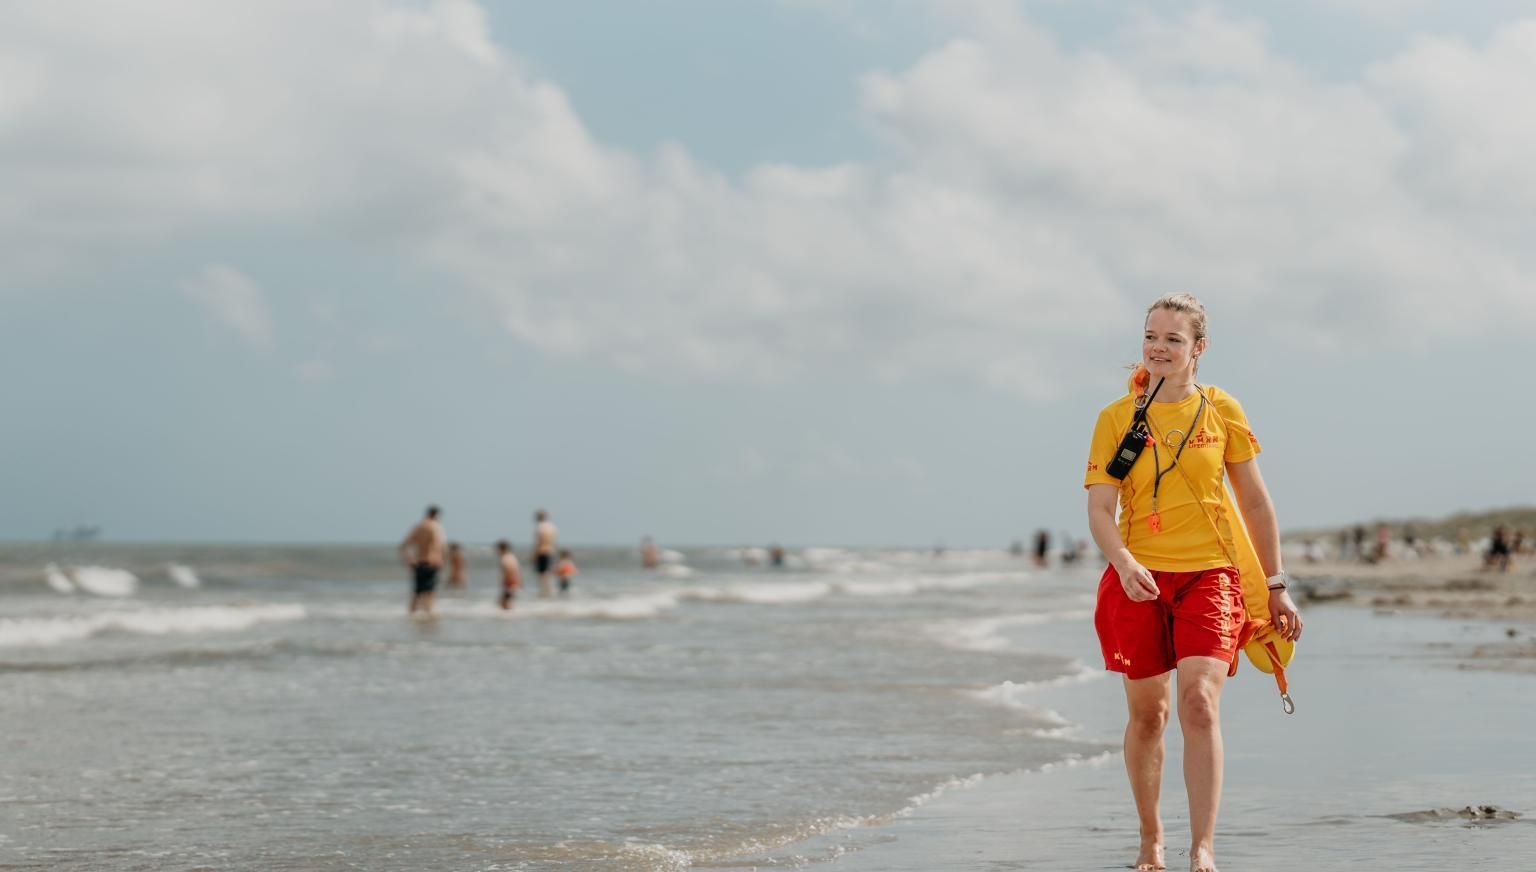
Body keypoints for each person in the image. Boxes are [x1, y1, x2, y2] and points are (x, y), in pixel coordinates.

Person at [1084, 294, 1301, 872]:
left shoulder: (1221, 410)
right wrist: (1125, 563)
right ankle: (1151, 839)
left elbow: (1255, 501)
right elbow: (1101, 510)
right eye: (1151, 336)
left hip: (1211, 575)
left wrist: (1276, 585)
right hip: (1137, 581)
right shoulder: (1115, 418)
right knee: (1149, 716)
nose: (1159, 347)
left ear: (1197, 349)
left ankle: (1202, 847)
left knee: (1199, 704)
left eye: (1173, 339)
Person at [399, 505, 446, 615]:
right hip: (432, 563)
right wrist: (443, 560)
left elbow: (404, 545)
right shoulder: (436, 527)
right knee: (430, 593)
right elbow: (441, 546)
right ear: (436, 515)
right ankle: (428, 618)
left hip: (419, 563)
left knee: (417, 593)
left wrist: (409, 560)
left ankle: (411, 616)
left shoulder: (418, 527)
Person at [532, 509, 559, 598]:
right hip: (551, 551)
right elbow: (554, 541)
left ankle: (543, 594)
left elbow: (538, 542)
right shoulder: (552, 527)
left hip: (542, 551)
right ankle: (550, 593)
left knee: (542, 575)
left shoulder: (540, 527)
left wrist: (534, 555)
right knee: (548, 574)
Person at [496, 539, 522, 610]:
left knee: (504, 603)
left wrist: (506, 583)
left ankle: (509, 618)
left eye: (497, 549)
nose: (496, 551)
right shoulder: (512, 557)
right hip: (515, 582)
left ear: (501, 549)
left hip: (510, 583)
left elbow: (509, 572)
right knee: (506, 603)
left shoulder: (504, 558)